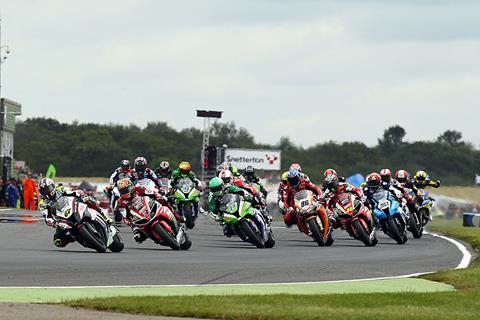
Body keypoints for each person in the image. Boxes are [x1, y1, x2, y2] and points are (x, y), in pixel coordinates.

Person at [38, 178, 111, 248]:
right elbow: (47, 217)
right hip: (62, 220)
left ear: (53, 186)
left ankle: (104, 216)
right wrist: (53, 223)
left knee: (88, 201)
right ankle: (73, 237)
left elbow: (74, 192)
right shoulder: (42, 204)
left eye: (47, 189)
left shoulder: (61, 189)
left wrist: (83, 196)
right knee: (57, 241)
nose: (46, 192)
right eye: (43, 191)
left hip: (73, 207)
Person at [115, 178, 171, 243]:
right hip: (137, 215)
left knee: (165, 201)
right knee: (138, 236)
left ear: (131, 186)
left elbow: (152, 192)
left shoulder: (139, 188)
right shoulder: (120, 202)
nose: (125, 192)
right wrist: (128, 221)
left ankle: (174, 214)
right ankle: (144, 234)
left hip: (149, 205)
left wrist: (159, 195)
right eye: (123, 191)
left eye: (126, 189)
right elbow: (124, 215)